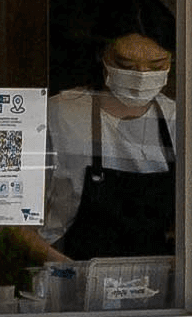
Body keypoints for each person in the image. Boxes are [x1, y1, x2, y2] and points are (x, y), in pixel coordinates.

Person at [42, 32, 177, 260]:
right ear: (103, 58)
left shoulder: (179, 118)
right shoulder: (60, 114)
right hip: (69, 265)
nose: (142, 76)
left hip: (155, 273)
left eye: (156, 66)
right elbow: (16, 223)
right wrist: (70, 271)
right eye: (127, 65)